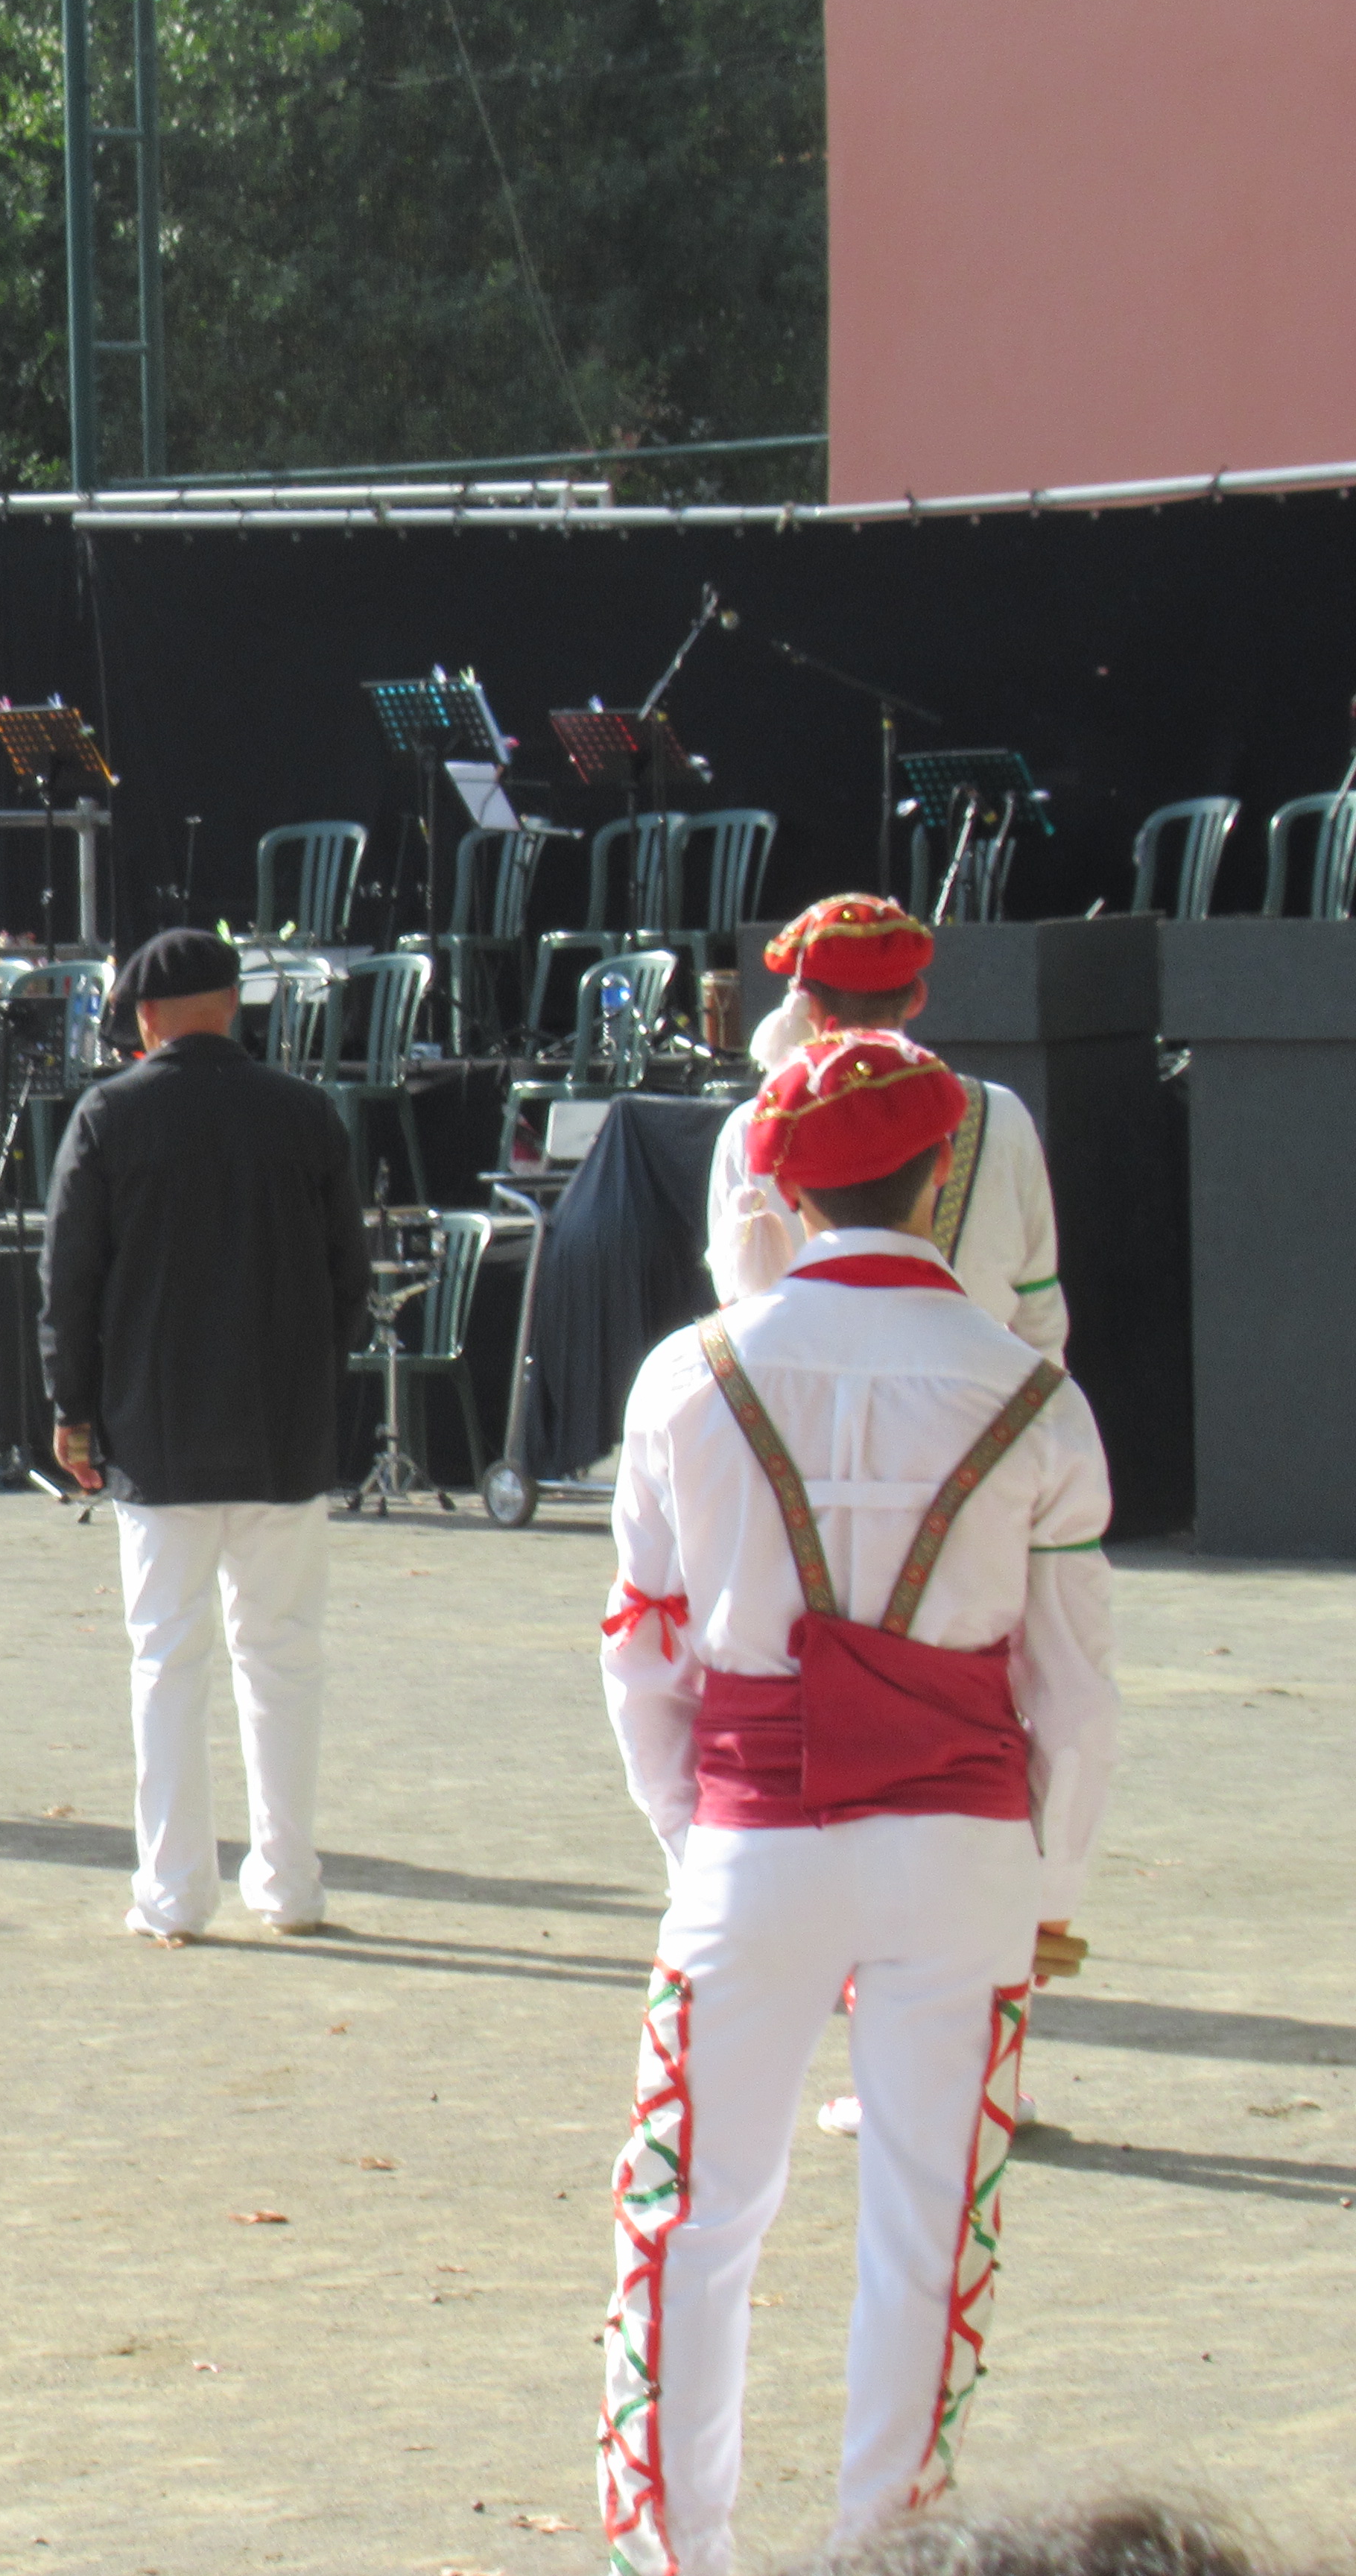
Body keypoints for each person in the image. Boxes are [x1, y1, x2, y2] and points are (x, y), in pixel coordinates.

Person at [593, 1032, 1115, 2575]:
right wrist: (1049, 1886)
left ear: (775, 1182)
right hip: (963, 1853)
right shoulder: (1033, 1394)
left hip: (752, 1842)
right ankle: (888, 2549)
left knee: (689, 2218)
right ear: (943, 1172)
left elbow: (641, 1651)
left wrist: (692, 1834)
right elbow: (1074, 1692)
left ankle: (670, 2555)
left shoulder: (688, 1374)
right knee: (930, 2226)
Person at [41, 928, 365, 1943]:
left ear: (144, 1019)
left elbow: (70, 1280)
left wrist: (72, 1407)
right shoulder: (305, 1112)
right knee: (285, 1659)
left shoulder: (110, 1114)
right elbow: (349, 1281)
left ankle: (175, 1890)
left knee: (166, 1664)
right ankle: (291, 1883)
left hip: (157, 1430)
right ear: (234, 1005)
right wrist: (310, 1382)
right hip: (281, 1432)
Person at [707, 894, 1068, 1357]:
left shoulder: (754, 1127)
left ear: (805, 1005)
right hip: (974, 1394)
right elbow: (1038, 1314)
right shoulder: (1001, 1114)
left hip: (800, 1397)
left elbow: (734, 1309)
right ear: (916, 997)